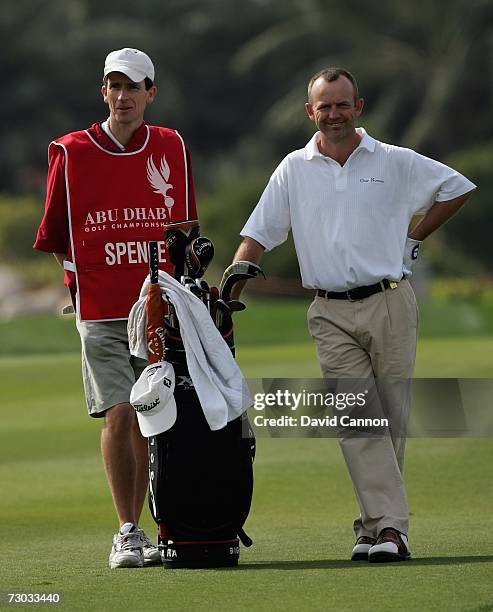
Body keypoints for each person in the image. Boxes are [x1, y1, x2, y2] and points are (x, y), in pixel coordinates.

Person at [230, 67, 475, 562]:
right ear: (310, 111)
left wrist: (414, 238)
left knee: (390, 421)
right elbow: (260, 232)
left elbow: (457, 188)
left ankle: (373, 528)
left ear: (358, 108)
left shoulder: (395, 160)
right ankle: (392, 532)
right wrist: (234, 274)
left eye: (343, 104)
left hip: (390, 301)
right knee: (358, 419)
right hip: (329, 311)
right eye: (325, 106)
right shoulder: (293, 168)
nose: (334, 114)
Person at [34, 48, 198, 568]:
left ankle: (164, 526)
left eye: (133, 87)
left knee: (153, 416)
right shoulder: (71, 150)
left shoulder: (170, 146)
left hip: (158, 305)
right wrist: (83, 284)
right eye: (114, 86)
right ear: (103, 91)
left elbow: (185, 230)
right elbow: (57, 236)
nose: (122, 96)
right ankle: (127, 532)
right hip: (102, 309)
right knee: (121, 411)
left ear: (152, 93)